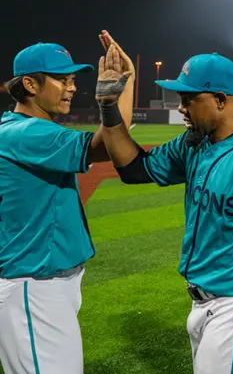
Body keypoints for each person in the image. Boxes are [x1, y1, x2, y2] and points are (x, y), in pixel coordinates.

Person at [96, 51, 233, 374]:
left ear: (221, 100)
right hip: (203, 303)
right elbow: (134, 169)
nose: (181, 108)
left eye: (188, 99)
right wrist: (108, 106)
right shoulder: (195, 143)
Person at [0, 32, 134, 374]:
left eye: (73, 79)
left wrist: (125, 82)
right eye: (62, 79)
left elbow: (116, 138)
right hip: (32, 285)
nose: (72, 87)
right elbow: (110, 146)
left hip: (46, 282)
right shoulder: (26, 133)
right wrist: (117, 92)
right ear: (30, 84)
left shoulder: (20, 129)